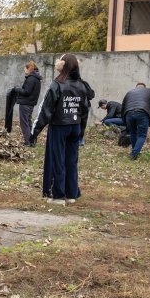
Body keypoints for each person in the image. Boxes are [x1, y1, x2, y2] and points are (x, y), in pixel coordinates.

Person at [30, 53, 90, 205]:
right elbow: (84, 111)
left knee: (56, 160)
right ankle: (71, 194)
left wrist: (35, 132)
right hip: (75, 127)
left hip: (59, 127)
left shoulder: (57, 84)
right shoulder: (82, 85)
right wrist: (81, 131)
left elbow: (45, 110)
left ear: (61, 66)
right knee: (71, 160)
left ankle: (57, 196)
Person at [121, 83, 150, 160]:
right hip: (142, 113)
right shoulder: (149, 91)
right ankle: (134, 154)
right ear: (144, 87)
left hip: (128, 113)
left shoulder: (129, 92)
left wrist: (124, 120)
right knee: (142, 135)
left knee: (133, 133)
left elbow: (123, 107)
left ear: (136, 87)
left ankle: (134, 152)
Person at [16, 61, 42, 145]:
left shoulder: (31, 79)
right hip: (30, 103)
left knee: (24, 123)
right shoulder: (36, 78)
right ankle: (32, 141)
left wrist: (17, 89)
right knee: (28, 122)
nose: (24, 71)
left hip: (26, 103)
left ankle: (28, 142)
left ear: (29, 69)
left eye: (25, 69)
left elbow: (27, 91)